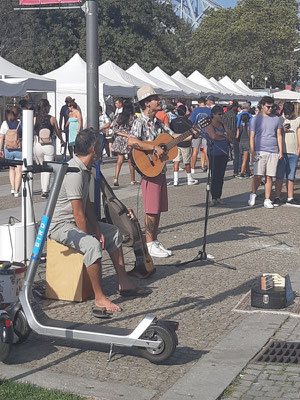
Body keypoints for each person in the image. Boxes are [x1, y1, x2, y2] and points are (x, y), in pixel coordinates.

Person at [48, 128, 149, 314]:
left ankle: (124, 283)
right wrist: (91, 236)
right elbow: (78, 214)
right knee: (92, 245)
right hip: (60, 225)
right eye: (101, 145)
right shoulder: (74, 172)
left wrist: (97, 228)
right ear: (94, 148)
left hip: (73, 221)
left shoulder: (83, 168)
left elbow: (86, 205)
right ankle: (99, 297)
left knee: (114, 233)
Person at [128, 85, 194, 258]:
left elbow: (173, 138)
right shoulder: (139, 122)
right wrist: (153, 147)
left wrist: (193, 133)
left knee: (157, 208)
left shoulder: (158, 122)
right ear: (147, 103)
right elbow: (132, 142)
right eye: (156, 98)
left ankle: (154, 240)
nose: (159, 100)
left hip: (160, 169)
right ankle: (149, 243)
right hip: (149, 169)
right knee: (151, 208)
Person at [248, 96, 283, 209]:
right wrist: (252, 152)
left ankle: (267, 199)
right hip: (260, 149)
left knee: (269, 176)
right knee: (258, 175)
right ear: (262, 106)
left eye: (272, 107)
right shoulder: (255, 119)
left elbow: (278, 135)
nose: (270, 109)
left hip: (273, 150)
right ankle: (253, 193)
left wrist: (280, 150)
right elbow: (252, 136)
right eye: (268, 107)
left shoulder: (276, 119)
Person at [34, 99, 64, 199]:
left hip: (38, 144)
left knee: (42, 168)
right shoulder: (52, 119)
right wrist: (62, 140)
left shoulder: (35, 119)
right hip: (49, 145)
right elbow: (58, 131)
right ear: (46, 107)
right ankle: (45, 190)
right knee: (47, 168)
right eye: (49, 106)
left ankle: (43, 187)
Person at [273, 102, 300, 207]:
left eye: (289, 113)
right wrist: (282, 130)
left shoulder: (298, 120)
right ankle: (277, 197)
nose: (287, 115)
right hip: (282, 152)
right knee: (279, 176)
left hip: (293, 152)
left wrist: (298, 150)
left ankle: (290, 197)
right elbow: (274, 134)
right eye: (286, 113)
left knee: (291, 176)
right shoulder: (280, 119)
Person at [205, 105, 232, 206]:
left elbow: (230, 135)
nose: (221, 116)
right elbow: (213, 136)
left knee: (221, 176)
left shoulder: (223, 124)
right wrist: (224, 136)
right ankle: (213, 197)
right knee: (214, 175)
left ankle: (218, 196)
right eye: (219, 114)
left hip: (224, 153)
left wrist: (222, 135)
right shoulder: (209, 125)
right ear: (213, 115)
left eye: (222, 114)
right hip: (214, 153)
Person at [170, 104, 198, 186]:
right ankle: (189, 178)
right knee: (187, 162)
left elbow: (171, 132)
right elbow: (193, 132)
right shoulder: (188, 121)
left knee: (176, 162)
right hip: (186, 143)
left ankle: (176, 180)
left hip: (175, 143)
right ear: (185, 111)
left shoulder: (173, 121)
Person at [111, 102, 137, 186]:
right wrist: (127, 134)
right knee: (130, 160)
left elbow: (114, 129)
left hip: (119, 139)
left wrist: (122, 134)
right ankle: (132, 180)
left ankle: (116, 178)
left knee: (119, 160)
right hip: (129, 139)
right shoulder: (133, 117)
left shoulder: (118, 116)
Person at [0, 108, 23, 197]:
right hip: (18, 149)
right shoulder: (20, 123)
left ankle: (13, 188)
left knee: (11, 169)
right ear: (18, 114)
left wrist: (0, 150)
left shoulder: (5, 123)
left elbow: (1, 137)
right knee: (19, 170)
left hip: (8, 149)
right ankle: (17, 190)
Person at [189, 97, 211, 173]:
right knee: (206, 150)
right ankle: (209, 168)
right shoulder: (209, 110)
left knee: (195, 150)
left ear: (198, 103)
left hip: (197, 131)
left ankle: (192, 169)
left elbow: (191, 121)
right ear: (205, 102)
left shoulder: (195, 110)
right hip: (206, 132)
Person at [222, 100, 239, 177]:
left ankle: (222, 170)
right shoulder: (234, 116)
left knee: (226, 155)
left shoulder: (225, 114)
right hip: (232, 137)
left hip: (225, 136)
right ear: (235, 107)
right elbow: (234, 128)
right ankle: (235, 171)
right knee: (235, 155)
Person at [236, 113, 251, 178]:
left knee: (245, 159)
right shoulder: (249, 127)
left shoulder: (240, 126)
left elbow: (237, 136)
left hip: (241, 142)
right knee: (245, 159)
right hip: (247, 143)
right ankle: (242, 173)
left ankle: (248, 171)